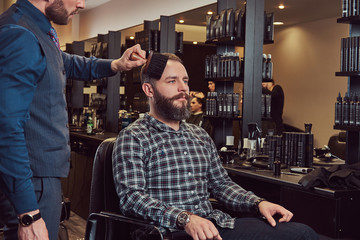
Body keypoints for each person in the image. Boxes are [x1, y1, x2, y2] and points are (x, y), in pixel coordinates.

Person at [112, 53, 318, 240]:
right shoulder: (134, 137)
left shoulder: (199, 135)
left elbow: (221, 185)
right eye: (172, 81)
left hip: (214, 226)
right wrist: (185, 219)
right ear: (149, 89)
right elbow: (132, 199)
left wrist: (258, 203)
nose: (183, 88)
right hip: (167, 233)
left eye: (185, 81)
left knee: (302, 234)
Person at [0, 0, 146, 239]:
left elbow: (66, 62)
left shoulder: (35, 29)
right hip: (32, 177)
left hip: (38, 175)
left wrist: (116, 64)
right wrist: (29, 213)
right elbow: (5, 127)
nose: (81, 3)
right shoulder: (20, 34)